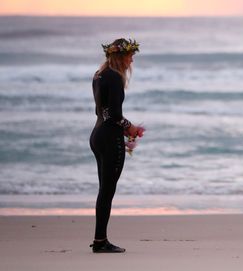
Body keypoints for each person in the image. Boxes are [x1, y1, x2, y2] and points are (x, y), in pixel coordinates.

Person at [89, 38, 143, 253]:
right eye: (130, 56)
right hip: (109, 139)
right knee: (107, 191)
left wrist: (124, 128)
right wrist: (130, 127)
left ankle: (100, 239)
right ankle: (101, 241)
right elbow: (116, 115)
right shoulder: (114, 78)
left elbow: (101, 112)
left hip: (97, 135)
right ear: (121, 56)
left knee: (104, 190)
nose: (131, 61)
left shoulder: (99, 75)